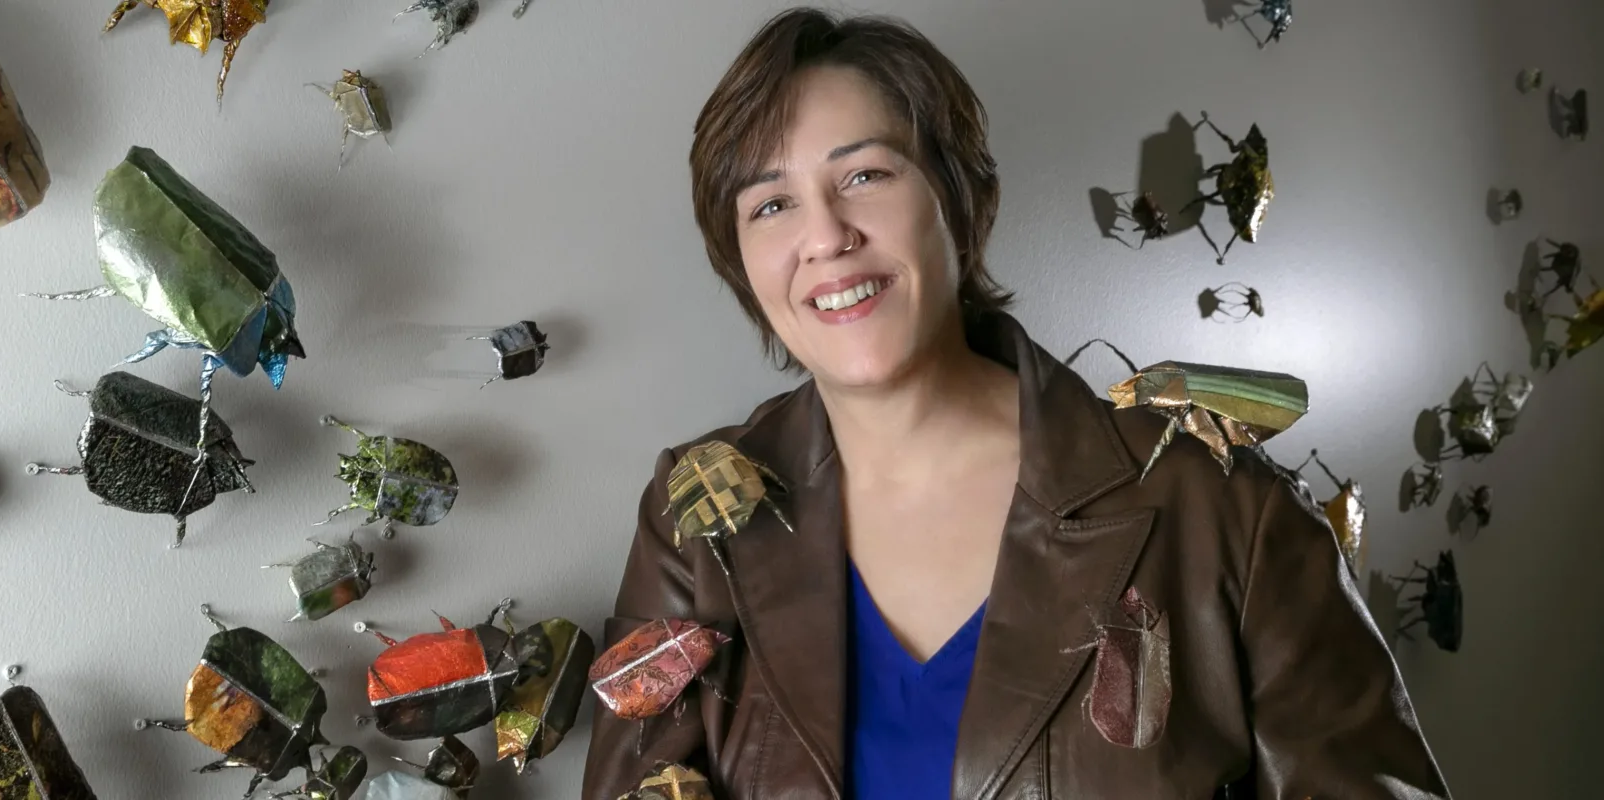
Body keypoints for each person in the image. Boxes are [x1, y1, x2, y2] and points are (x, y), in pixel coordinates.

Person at [582, 7, 1449, 799]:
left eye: (865, 177)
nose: (825, 238)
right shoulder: (695, 518)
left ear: (957, 202)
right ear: (740, 263)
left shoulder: (1220, 504)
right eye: (771, 204)